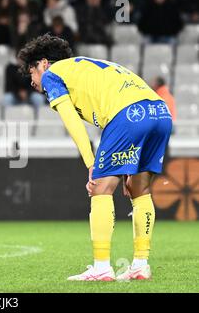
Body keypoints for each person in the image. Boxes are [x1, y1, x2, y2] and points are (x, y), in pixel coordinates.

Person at [18, 34, 172, 281]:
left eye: (32, 71)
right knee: (138, 188)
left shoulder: (52, 75)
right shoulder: (83, 66)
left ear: (44, 63)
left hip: (128, 114)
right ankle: (140, 265)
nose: (33, 81)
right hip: (160, 112)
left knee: (100, 187)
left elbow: (72, 123)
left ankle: (101, 268)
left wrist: (91, 163)